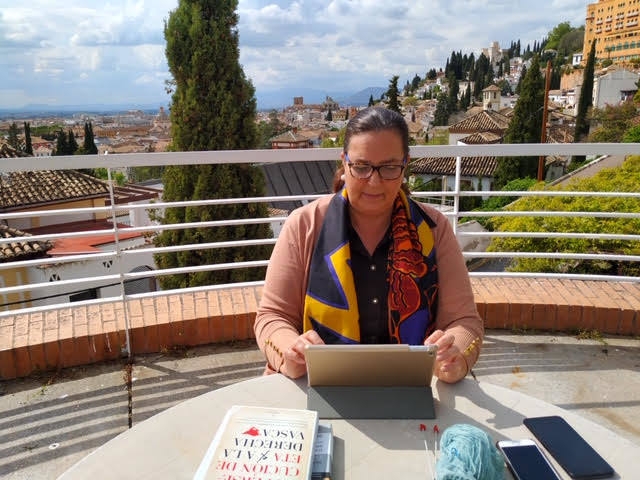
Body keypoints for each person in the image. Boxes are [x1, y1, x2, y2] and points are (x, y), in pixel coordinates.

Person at [254, 106, 483, 384]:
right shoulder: (304, 225)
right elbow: (271, 317)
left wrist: (455, 353)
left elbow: (465, 321)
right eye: (361, 167)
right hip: (317, 383)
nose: (373, 182)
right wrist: (289, 350)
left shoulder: (434, 229)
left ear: (405, 165)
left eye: (388, 168)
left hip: (415, 386)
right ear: (344, 162)